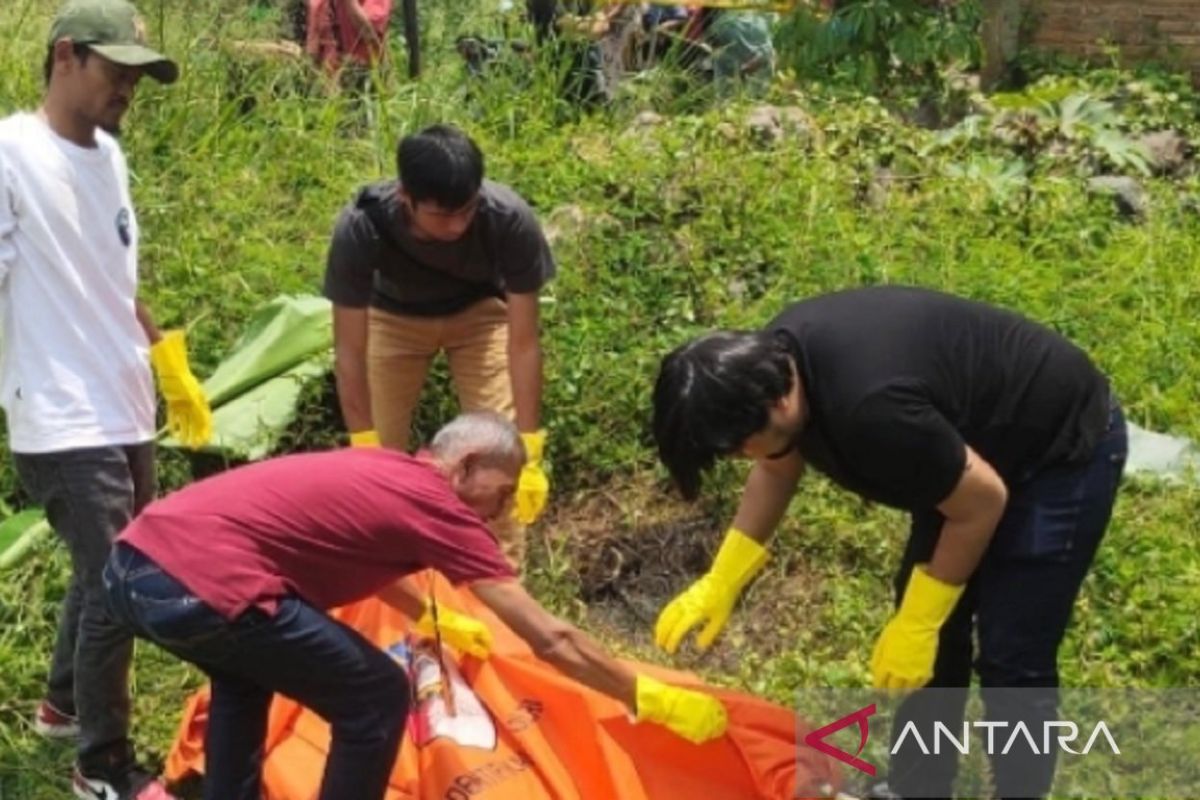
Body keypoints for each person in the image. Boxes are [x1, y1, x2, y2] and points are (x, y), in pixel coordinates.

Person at [649, 286, 1126, 798]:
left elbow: (981, 502)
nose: (742, 455)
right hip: (956, 453)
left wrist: (921, 621)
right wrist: (724, 578)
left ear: (777, 398)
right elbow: (776, 466)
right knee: (930, 636)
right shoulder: (773, 371)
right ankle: (919, 790)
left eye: (739, 442)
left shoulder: (871, 409)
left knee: (1013, 653)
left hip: (1056, 452)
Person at [103, 412, 727, 800]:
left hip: (134, 571)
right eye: (502, 492)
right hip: (196, 585)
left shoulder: (385, 470)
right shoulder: (440, 504)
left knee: (245, 678)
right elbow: (550, 639)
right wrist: (641, 694)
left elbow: (363, 562)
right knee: (376, 693)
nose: (503, 510)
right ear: (468, 465)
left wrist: (437, 618)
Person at [0, 1, 212, 798]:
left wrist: (167, 363)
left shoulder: (110, 156)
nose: (128, 85)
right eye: (114, 69)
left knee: (105, 577)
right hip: (59, 414)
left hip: (123, 402)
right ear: (65, 57)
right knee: (120, 583)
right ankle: (103, 764)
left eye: (137, 73)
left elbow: (113, 281)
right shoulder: (12, 153)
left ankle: (61, 705)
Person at [322, 123, 554, 567]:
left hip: (480, 317)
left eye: (466, 210)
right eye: (442, 215)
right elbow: (349, 349)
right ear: (405, 198)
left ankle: (502, 581)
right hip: (392, 319)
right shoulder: (361, 225)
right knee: (379, 464)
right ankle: (391, 580)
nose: (458, 224)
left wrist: (529, 444)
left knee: (498, 457)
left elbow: (523, 343)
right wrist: (364, 440)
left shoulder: (508, 218)